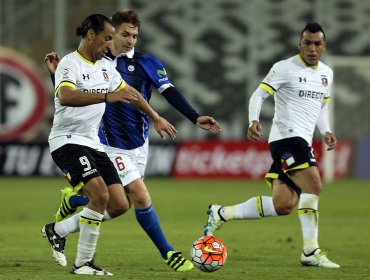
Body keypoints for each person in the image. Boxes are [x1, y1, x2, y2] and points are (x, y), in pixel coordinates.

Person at [43, 10, 221, 273]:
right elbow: (67, 96)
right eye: (118, 35)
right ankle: (164, 253)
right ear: (96, 35)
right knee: (134, 196)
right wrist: (105, 96)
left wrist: (157, 116)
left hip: (129, 144)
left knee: (118, 205)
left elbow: (131, 93)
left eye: (133, 36)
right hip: (88, 142)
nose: (128, 40)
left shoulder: (115, 66)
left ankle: (60, 226)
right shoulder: (72, 62)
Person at [203, 22, 340, 268]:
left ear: (324, 46)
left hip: (301, 140)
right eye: (307, 43)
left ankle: (221, 213)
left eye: (317, 43)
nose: (312, 48)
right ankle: (310, 252)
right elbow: (259, 94)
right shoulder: (284, 68)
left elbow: (321, 106)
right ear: (299, 44)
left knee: (284, 204)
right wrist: (253, 119)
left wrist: (326, 130)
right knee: (314, 185)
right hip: (286, 138)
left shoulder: (326, 74)